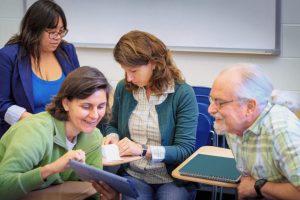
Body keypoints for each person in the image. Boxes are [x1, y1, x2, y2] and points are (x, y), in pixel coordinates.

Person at [103, 30, 198, 200]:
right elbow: (113, 124)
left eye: (133, 71)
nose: (129, 78)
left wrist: (143, 150)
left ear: (154, 63)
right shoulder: (123, 89)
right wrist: (112, 136)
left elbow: (185, 150)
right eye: (125, 71)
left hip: (172, 178)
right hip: (133, 173)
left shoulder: (182, 93)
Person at [0, 66, 111, 200]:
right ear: (66, 104)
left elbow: (94, 191)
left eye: (101, 106)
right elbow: (3, 189)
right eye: (86, 106)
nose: (94, 115)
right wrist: (52, 169)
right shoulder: (35, 131)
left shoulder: (94, 137)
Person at [208, 63, 300, 200]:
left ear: (249, 107)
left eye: (219, 102)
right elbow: (247, 180)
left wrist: (258, 187)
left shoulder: (281, 131)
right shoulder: (233, 126)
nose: (210, 109)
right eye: (212, 100)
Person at [0, 0, 80, 137]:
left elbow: (80, 91)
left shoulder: (67, 51)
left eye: (61, 32)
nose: (58, 38)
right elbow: (2, 103)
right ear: (35, 29)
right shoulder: (9, 56)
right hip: (25, 133)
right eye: (52, 32)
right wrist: (34, 122)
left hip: (63, 133)